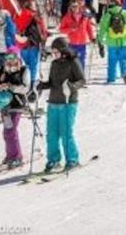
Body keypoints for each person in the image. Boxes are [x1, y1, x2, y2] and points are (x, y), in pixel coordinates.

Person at [42, 36, 85, 173]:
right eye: (53, 53)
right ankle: (53, 160)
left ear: (64, 50)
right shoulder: (54, 64)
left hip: (68, 102)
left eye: (56, 52)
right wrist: (42, 85)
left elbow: (82, 80)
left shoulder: (73, 62)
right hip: (53, 102)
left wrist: (72, 87)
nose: (54, 55)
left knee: (66, 132)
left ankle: (72, 159)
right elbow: (51, 82)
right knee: (52, 134)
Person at [0, 52, 29, 168]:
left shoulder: (23, 70)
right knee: (7, 131)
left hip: (17, 104)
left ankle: (16, 157)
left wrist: (11, 87)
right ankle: (10, 155)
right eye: (8, 58)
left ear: (18, 58)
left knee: (10, 130)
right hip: (4, 105)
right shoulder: (1, 69)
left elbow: (25, 88)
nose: (10, 60)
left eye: (13, 58)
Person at [98, 3, 126, 84]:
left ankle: (111, 78)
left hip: (111, 42)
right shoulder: (125, 13)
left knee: (112, 61)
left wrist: (100, 41)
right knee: (123, 59)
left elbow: (102, 30)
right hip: (124, 41)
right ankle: (125, 76)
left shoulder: (107, 15)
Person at [56, 0, 96, 73]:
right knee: (72, 60)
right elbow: (61, 29)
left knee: (81, 60)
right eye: (73, 6)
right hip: (72, 43)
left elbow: (89, 28)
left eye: (76, 6)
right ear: (70, 7)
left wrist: (92, 38)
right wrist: (70, 29)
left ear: (79, 6)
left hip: (82, 42)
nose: (74, 8)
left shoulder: (84, 16)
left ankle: (81, 75)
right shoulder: (67, 17)